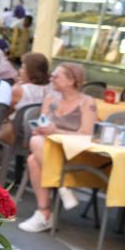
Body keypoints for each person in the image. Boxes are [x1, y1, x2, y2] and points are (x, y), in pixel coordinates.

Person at [18, 62, 98, 233]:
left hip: (74, 153)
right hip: (50, 152)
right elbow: (42, 123)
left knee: (35, 151)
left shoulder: (87, 102)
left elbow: (86, 134)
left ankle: (45, 212)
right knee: (33, 155)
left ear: (71, 81)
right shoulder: (51, 99)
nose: (51, 78)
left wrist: (55, 131)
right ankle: (52, 201)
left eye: (56, 76)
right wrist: (39, 128)